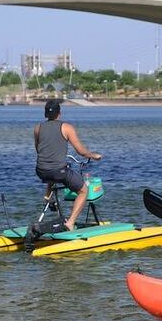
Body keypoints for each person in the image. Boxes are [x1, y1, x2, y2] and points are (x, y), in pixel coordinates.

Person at [34, 99, 102, 231]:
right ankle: (70, 223)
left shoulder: (38, 128)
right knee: (83, 191)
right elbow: (81, 151)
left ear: (45, 114)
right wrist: (94, 156)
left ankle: (48, 196)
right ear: (60, 113)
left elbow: (39, 150)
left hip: (41, 171)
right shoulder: (66, 127)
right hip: (58, 171)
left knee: (53, 173)